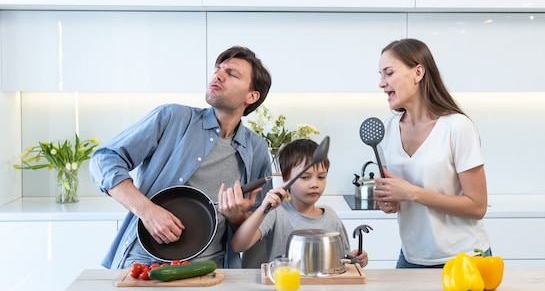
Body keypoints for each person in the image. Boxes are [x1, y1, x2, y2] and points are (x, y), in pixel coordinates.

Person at [90, 45, 273, 269]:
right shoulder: (172, 118)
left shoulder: (256, 148)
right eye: (218, 69)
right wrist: (148, 211)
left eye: (232, 73)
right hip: (145, 262)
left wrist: (236, 217)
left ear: (252, 96)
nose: (218, 75)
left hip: (211, 269)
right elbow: (104, 160)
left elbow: (252, 229)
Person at [373, 38, 491, 268]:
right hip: (411, 257)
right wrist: (389, 202)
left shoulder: (457, 127)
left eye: (388, 73)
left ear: (418, 72)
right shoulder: (387, 129)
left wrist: (411, 193)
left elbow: (477, 206)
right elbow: (397, 197)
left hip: (465, 258)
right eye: (380, 75)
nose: (381, 83)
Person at [229, 139, 369, 268]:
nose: (315, 184)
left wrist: (356, 258)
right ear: (286, 179)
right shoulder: (276, 214)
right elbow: (238, 246)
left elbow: (343, 259)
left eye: (321, 177)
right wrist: (263, 209)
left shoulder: (331, 216)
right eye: (305, 177)